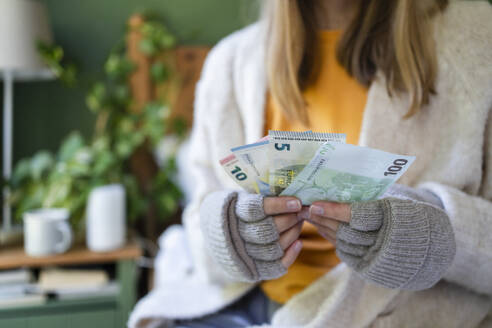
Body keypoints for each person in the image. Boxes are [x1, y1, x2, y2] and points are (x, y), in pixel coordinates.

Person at [129, 1, 492, 327]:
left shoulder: (478, 38)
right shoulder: (230, 64)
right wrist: (226, 234)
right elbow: (201, 234)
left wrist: (435, 237)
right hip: (244, 306)